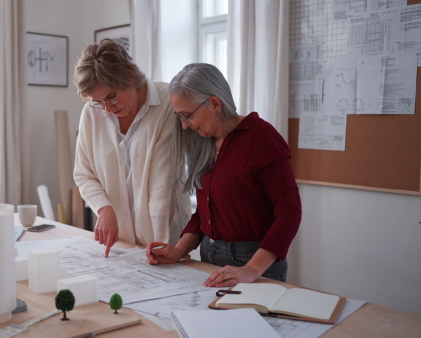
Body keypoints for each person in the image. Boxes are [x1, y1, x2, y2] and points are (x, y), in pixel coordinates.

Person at [146, 63, 301, 287]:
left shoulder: (262, 137)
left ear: (215, 103)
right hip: (209, 255)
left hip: (253, 260)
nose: (184, 126)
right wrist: (179, 250)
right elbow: (204, 213)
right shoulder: (206, 143)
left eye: (187, 116)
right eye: (179, 117)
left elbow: (290, 211)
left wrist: (251, 269)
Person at [73, 39, 192, 258]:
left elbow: (164, 181)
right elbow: (84, 173)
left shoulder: (168, 101)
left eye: (111, 97)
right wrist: (103, 208)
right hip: (120, 243)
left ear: (129, 76)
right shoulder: (92, 113)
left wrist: (164, 244)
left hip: (167, 239)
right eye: (98, 101)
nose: (107, 108)